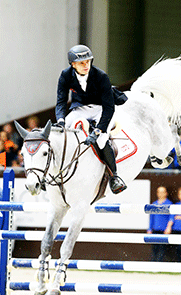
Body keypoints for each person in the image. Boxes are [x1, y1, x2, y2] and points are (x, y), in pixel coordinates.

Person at [54, 44, 128, 194]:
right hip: (79, 109)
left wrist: (99, 129)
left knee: (101, 139)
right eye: (81, 63)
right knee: (59, 133)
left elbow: (109, 107)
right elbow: (61, 101)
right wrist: (60, 120)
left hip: (101, 109)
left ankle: (115, 177)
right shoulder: (65, 75)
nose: (86, 65)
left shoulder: (101, 76)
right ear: (73, 64)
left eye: (88, 61)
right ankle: (53, 173)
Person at [147, 186, 172, 262]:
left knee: (162, 249)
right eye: (159, 192)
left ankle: (159, 264)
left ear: (166, 193)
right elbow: (151, 218)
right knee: (154, 248)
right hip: (155, 229)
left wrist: (168, 227)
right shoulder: (154, 204)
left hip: (164, 230)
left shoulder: (169, 204)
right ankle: (153, 264)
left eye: (162, 192)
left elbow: (171, 217)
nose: (161, 194)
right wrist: (149, 229)